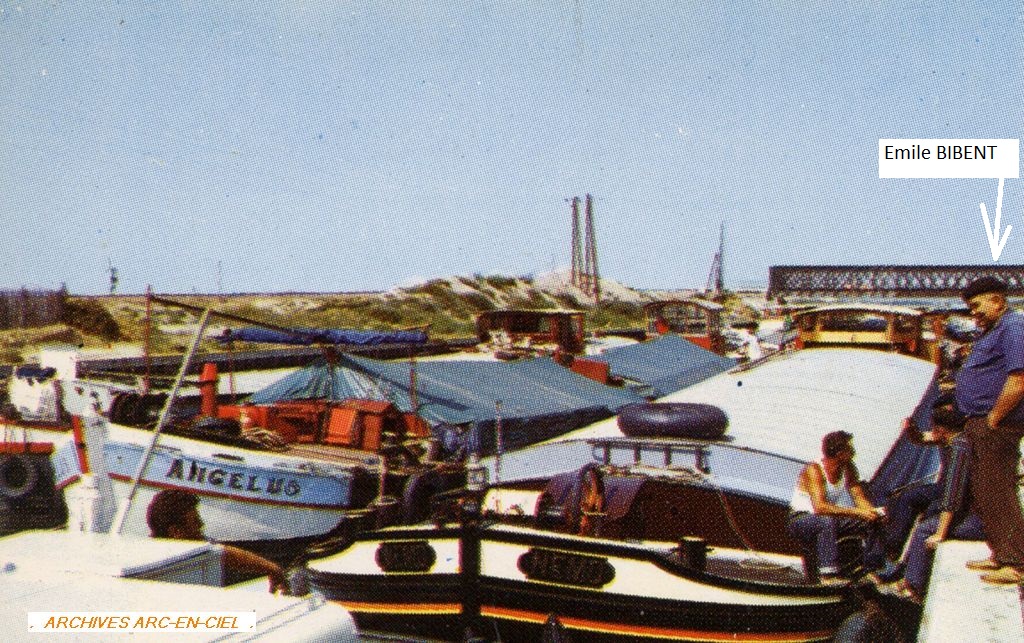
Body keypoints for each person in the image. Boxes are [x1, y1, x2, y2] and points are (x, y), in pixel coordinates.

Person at [871, 403, 984, 602]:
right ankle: (899, 561)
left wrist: (940, 533)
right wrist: (910, 430)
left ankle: (913, 588)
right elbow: (921, 438)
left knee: (925, 527)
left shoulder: (959, 450)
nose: (931, 432)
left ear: (941, 430)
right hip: (962, 505)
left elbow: (952, 496)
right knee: (913, 504)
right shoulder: (954, 439)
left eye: (933, 428)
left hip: (974, 516)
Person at [953, 276, 1024, 585]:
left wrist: (994, 417)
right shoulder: (995, 329)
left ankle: (1016, 563)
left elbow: (1019, 378)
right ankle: (1001, 553)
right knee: (984, 491)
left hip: (998, 424)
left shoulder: (1013, 328)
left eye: (976, 306)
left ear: (997, 301)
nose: (974, 313)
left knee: (998, 490)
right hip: (981, 422)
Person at [787, 431, 885, 584]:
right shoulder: (814, 470)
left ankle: (872, 568)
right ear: (840, 454)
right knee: (826, 521)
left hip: (828, 519)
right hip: (800, 520)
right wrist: (857, 512)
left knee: (872, 521)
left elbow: (859, 497)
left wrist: (873, 512)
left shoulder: (848, 469)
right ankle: (828, 576)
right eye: (850, 449)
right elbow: (820, 507)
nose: (854, 453)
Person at [146, 489, 287, 593]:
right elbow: (224, 554)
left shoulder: (147, 551)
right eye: (195, 521)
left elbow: (222, 553)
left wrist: (270, 568)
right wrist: (273, 569)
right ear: (176, 532)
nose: (201, 525)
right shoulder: (181, 558)